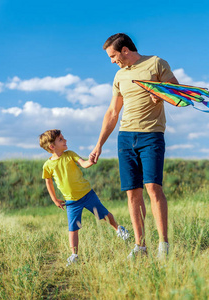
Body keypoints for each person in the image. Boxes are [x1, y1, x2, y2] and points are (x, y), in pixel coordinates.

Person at [89, 33, 178, 259]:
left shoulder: (156, 63)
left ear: (125, 50)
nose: (112, 61)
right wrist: (99, 144)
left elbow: (177, 94)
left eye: (113, 55)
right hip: (125, 137)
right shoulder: (119, 76)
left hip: (151, 135)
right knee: (132, 193)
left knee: (153, 188)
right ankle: (140, 246)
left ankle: (163, 246)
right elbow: (112, 112)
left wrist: (161, 95)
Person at [39, 129, 130, 266]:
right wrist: (55, 199)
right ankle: (74, 255)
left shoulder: (70, 154)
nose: (65, 140)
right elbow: (48, 182)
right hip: (71, 201)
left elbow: (83, 163)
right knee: (73, 228)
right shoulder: (47, 165)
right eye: (61, 139)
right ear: (52, 146)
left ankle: (119, 229)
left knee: (104, 215)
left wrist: (91, 161)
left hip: (87, 194)